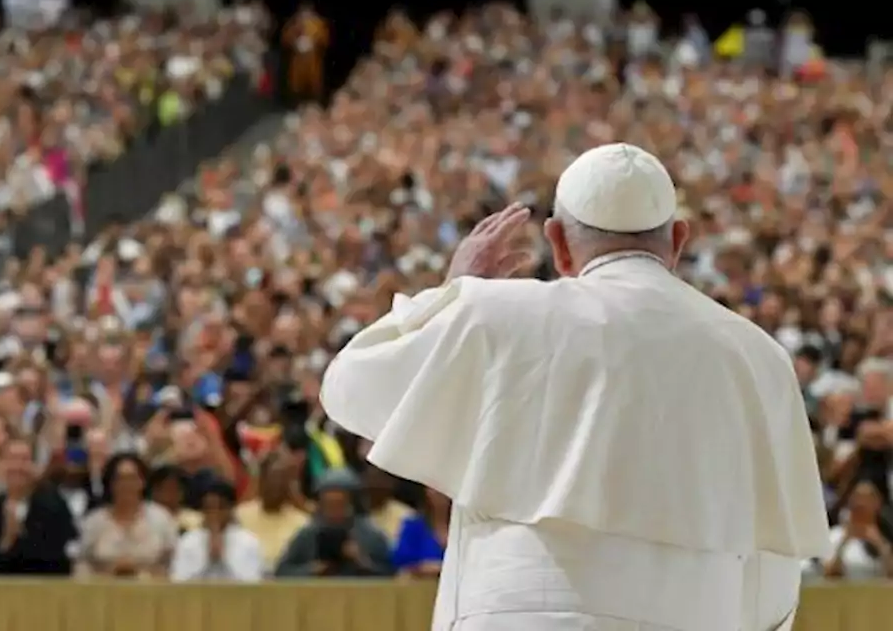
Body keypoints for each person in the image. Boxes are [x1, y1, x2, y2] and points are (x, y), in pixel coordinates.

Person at [320, 143, 829, 630]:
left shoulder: (494, 312)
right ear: (677, 240)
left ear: (557, 242)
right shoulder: (759, 355)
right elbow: (772, 553)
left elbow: (353, 385)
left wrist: (452, 293)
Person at [0, 437, 77, 576]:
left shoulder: (55, 507)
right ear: (1, 464)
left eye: (24, 459)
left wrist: (24, 538)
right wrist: (6, 541)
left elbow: (61, 560)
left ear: (34, 465)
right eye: (11, 459)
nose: (17, 466)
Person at [274, 468, 392, 578]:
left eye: (339, 504)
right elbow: (281, 572)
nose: (334, 511)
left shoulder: (371, 536)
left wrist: (362, 563)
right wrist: (311, 570)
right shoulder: (308, 535)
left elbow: (391, 574)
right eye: (328, 505)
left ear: (352, 504)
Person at [78, 452, 176, 578]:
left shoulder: (162, 519)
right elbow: (82, 566)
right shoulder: (93, 522)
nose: (126, 485)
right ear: (111, 483)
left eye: (132, 478)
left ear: (143, 482)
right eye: (120, 479)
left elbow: (170, 565)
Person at [169, 479, 263, 581]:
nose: (214, 514)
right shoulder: (188, 540)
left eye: (220, 507)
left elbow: (252, 582)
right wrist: (209, 560)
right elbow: (178, 580)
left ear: (231, 509)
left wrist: (221, 559)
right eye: (208, 508)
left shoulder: (249, 541)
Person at [818, 480, 893, 580]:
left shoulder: (887, 536)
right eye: (858, 498)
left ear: (877, 504)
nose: (862, 502)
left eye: (868, 499)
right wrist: (845, 541)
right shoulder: (835, 536)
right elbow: (828, 573)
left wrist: (879, 543)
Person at [391, 487, 450, 579]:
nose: (440, 493)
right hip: (418, 587)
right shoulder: (413, 526)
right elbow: (402, 564)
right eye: (434, 488)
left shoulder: (466, 528)